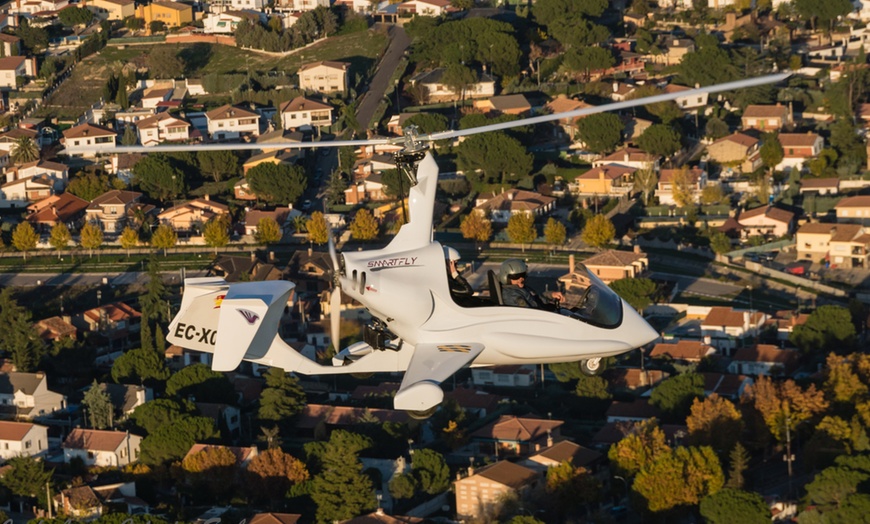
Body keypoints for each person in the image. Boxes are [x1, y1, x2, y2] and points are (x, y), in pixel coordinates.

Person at [499, 258, 563, 309]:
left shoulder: (521, 288)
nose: (521, 279)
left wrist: (551, 295)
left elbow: (536, 298)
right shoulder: (511, 295)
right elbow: (528, 313)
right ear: (506, 278)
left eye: (523, 275)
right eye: (516, 276)